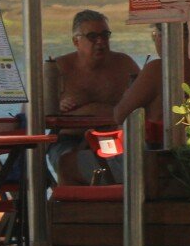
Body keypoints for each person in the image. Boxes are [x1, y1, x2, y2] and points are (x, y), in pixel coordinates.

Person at [47, 10, 139, 185]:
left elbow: (145, 101)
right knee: (66, 162)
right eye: (92, 36)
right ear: (76, 41)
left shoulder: (125, 64)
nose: (101, 42)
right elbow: (31, 111)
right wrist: (55, 106)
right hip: (70, 139)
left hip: (113, 138)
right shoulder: (57, 69)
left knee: (134, 161)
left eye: (105, 35)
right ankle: (68, 208)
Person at [112, 23, 190, 126]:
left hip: (166, 145)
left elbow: (120, 115)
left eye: (154, 35)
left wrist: (128, 92)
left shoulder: (157, 69)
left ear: (161, 37)